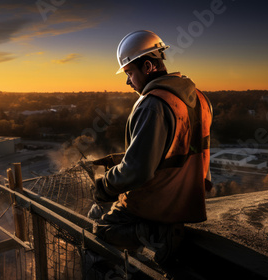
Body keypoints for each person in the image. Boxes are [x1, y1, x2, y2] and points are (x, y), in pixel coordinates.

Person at [89, 30, 213, 263]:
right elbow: (180, 150)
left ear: (147, 67)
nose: (127, 81)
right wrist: (121, 159)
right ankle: (155, 236)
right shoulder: (199, 98)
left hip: (157, 202)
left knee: (101, 228)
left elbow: (138, 171)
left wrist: (103, 187)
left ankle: (154, 233)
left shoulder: (152, 104)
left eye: (129, 73)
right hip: (189, 199)